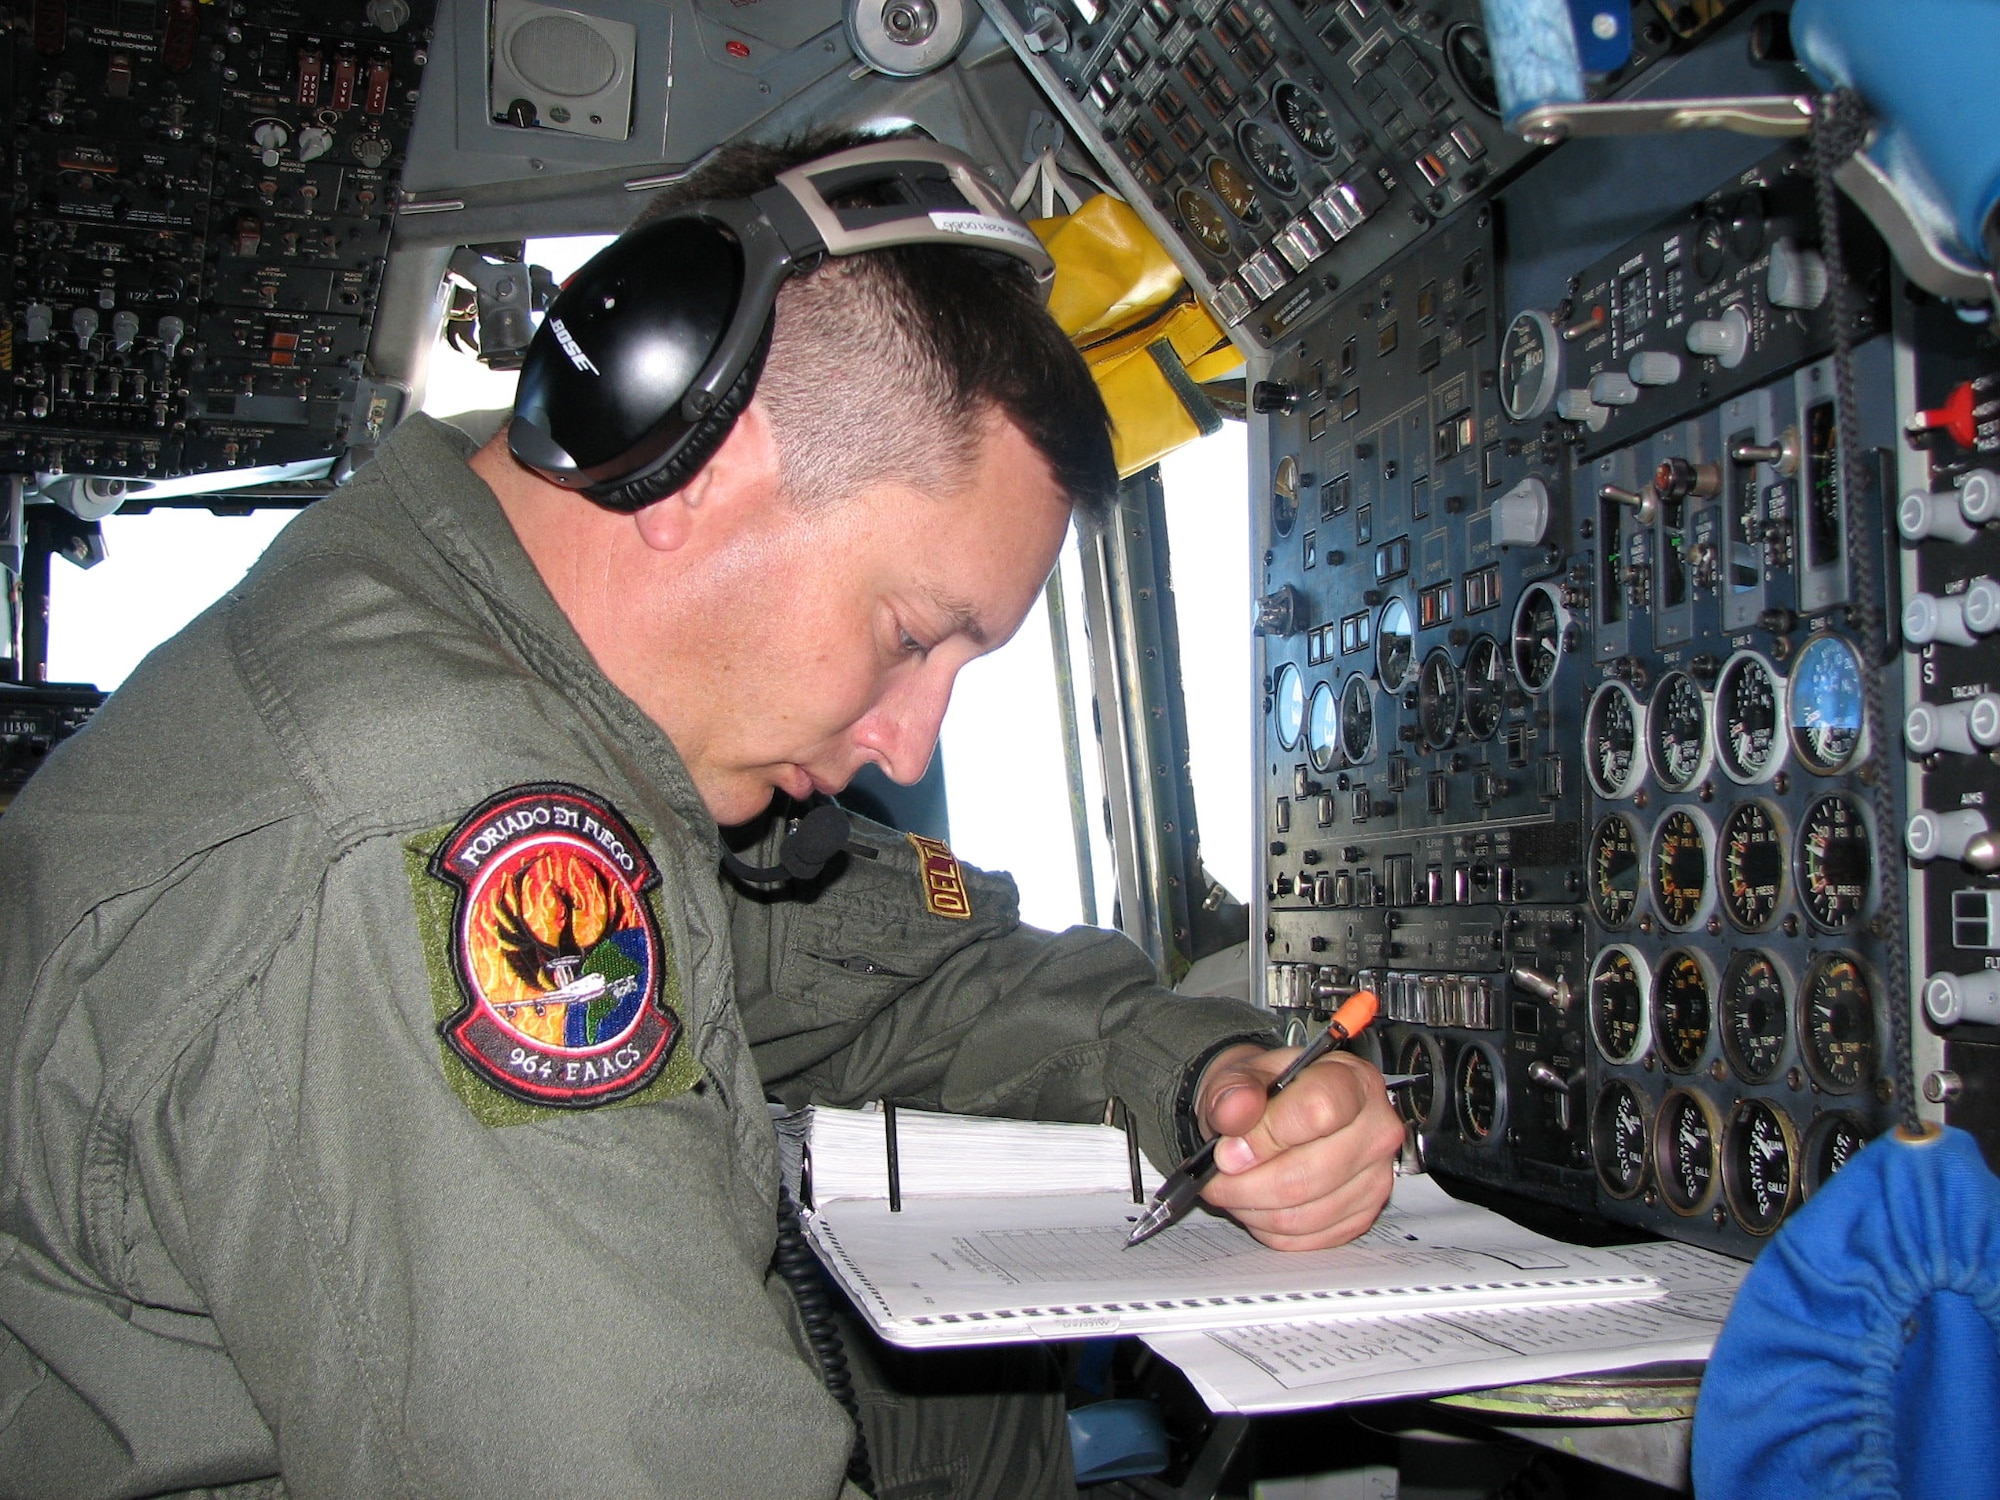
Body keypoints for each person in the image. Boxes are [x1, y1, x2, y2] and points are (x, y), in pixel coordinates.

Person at [0, 131, 1404, 1498]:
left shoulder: (566, 708)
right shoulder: (438, 828)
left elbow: (906, 984)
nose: (907, 738)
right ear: (703, 462)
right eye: (913, 634)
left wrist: (1212, 1071)